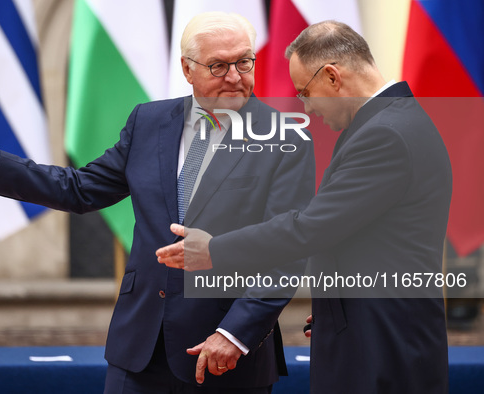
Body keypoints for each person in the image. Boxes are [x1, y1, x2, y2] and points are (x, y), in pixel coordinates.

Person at [0, 12, 315, 393]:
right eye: (218, 66)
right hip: (139, 349)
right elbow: (80, 188)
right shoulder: (149, 122)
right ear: (187, 68)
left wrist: (235, 334)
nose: (235, 77)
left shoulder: (286, 140)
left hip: (223, 356)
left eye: (244, 62)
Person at [157, 20, 452, 393]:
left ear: (332, 77)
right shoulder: (391, 122)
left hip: (383, 345)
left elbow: (310, 228)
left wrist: (212, 249)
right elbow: (374, 240)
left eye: (305, 92)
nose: (308, 108)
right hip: (374, 330)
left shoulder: (384, 135)